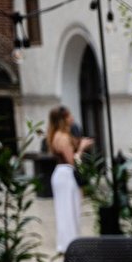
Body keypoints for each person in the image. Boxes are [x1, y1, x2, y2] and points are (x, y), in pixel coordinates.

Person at [47, 106, 92, 254]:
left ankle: (66, 243)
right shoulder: (63, 137)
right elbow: (72, 160)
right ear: (63, 119)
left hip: (61, 174)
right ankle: (70, 244)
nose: (72, 117)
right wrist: (82, 148)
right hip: (66, 174)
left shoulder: (56, 135)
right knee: (70, 210)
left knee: (65, 210)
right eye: (69, 116)